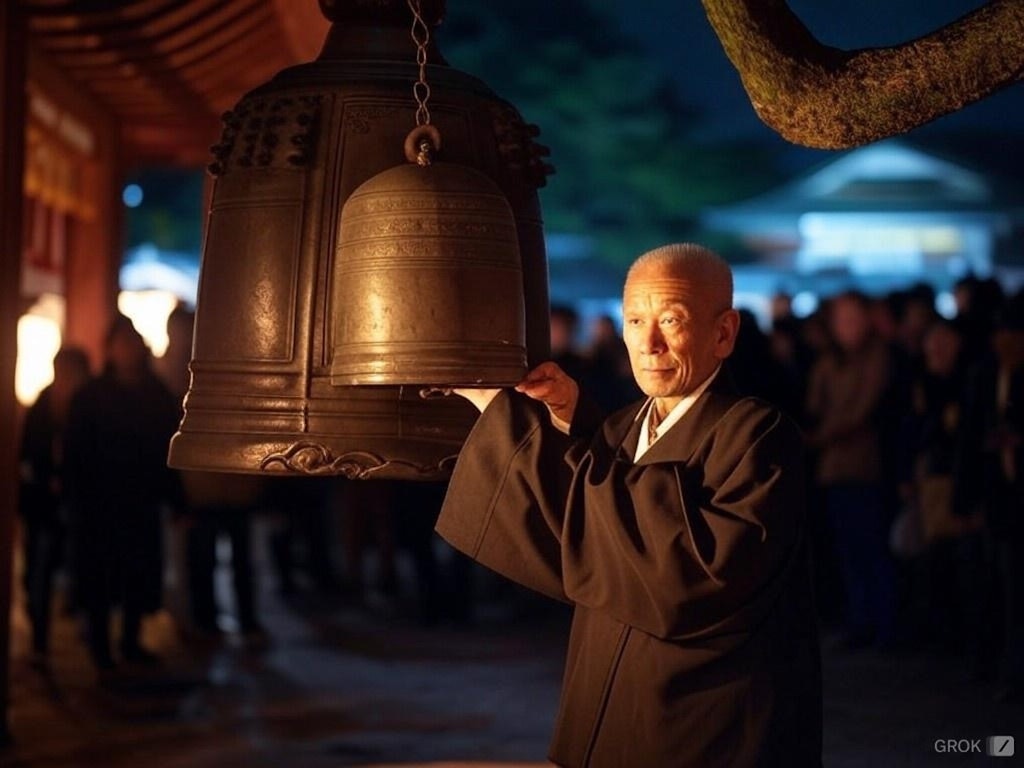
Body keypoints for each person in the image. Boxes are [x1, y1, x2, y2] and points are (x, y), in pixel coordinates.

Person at [436, 243, 822, 767]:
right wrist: (568, 421)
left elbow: (685, 573)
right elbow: (583, 538)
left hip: (701, 724)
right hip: (603, 703)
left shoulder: (757, 436)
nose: (650, 342)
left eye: (671, 319)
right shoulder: (620, 427)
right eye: (635, 319)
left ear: (724, 333)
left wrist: (507, 419)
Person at [64, 315, 182, 670]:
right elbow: (75, 451)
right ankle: (101, 650)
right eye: (121, 344)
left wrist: (177, 500)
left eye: (132, 344)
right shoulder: (90, 396)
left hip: (141, 502)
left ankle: (130, 643)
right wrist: (73, 498)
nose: (128, 351)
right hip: (99, 504)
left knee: (137, 576)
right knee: (100, 579)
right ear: (110, 350)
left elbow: (170, 451)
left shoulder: (156, 393)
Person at [18, 346, 91, 667]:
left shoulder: (90, 407)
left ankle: (83, 630)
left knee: (78, 566)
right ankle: (39, 637)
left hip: (79, 503)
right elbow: (26, 453)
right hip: (42, 505)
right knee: (39, 571)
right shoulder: (42, 406)